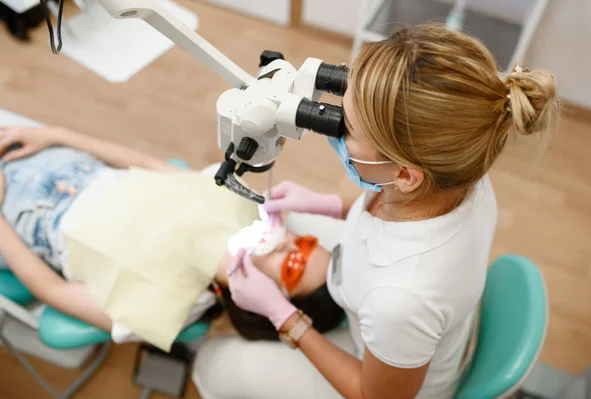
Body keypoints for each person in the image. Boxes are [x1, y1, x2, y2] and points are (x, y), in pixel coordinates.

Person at [192, 23, 559, 399]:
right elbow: (394, 215)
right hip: (404, 321)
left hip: (392, 376)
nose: (331, 129)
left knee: (214, 362)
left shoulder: (400, 301)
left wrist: (283, 317)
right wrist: (330, 205)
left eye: (345, 127)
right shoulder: (464, 170)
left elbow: (374, 395)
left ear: (404, 174)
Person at [0, 125, 344, 343]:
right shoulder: (232, 205)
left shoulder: (173, 309)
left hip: (17, 220)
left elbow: (51, 289)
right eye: (303, 242)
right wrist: (57, 135)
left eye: (293, 264)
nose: (287, 241)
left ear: (266, 301)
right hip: (61, 161)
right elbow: (148, 165)